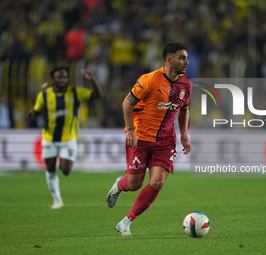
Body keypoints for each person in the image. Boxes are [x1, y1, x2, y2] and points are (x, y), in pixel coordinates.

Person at [106, 42, 192, 236]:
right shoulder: (149, 80)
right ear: (169, 60)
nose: (187, 62)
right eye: (182, 58)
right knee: (134, 184)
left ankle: (126, 222)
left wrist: (184, 134)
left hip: (165, 141)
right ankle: (121, 184)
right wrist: (130, 130)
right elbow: (127, 103)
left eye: (186, 57)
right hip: (141, 138)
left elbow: (184, 109)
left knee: (158, 182)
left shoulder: (186, 84)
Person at [27, 66, 102, 209]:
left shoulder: (75, 92)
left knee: (65, 171)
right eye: (59, 77)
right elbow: (35, 112)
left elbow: (97, 96)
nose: (62, 80)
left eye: (65, 77)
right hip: (49, 137)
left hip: (69, 138)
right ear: (53, 79)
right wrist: (31, 114)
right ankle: (57, 199)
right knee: (50, 168)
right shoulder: (44, 95)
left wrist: (93, 80)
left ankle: (60, 166)